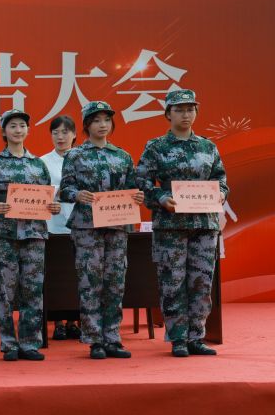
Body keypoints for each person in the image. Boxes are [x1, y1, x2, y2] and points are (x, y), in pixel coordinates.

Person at [136, 89, 228, 357]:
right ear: (168, 114)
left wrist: (222, 193)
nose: (185, 115)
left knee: (201, 282)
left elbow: (221, 178)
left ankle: (196, 337)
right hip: (170, 226)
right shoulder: (156, 147)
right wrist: (160, 198)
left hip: (204, 224)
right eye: (179, 110)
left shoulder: (208, 147)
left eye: (190, 109)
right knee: (172, 282)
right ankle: (178, 338)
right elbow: (140, 182)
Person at [59, 101, 143, 359]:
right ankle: (94, 339)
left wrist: (138, 196)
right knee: (90, 282)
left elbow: (133, 187)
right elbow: (64, 189)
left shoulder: (122, 156)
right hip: (87, 227)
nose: (102, 125)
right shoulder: (75, 155)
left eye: (106, 120)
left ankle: (113, 338)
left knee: (115, 282)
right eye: (96, 120)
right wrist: (77, 194)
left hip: (117, 225)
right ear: (86, 125)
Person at [0, 109, 61, 361]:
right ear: (3, 131)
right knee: (4, 290)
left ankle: (30, 343)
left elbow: (47, 197)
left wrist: (53, 206)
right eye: (12, 126)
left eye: (22, 126)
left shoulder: (38, 164)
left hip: (34, 235)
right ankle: (8, 343)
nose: (18, 130)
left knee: (33, 289)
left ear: (28, 130)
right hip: (4, 235)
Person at [40, 114, 81, 341]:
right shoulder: (42, 162)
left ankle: (74, 321)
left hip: (79, 223)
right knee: (56, 273)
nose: (60, 137)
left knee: (75, 273)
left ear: (74, 135)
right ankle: (57, 323)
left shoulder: (82, 159)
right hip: (52, 224)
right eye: (55, 133)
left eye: (65, 132)